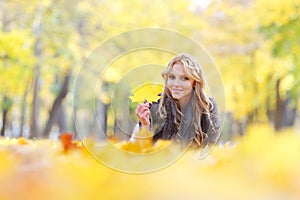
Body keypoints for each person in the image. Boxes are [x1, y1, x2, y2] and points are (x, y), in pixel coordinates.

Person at [133, 53, 220, 148]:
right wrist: (145, 125)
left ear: (195, 82)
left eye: (184, 78)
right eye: (172, 77)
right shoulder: (155, 105)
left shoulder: (208, 106)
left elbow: (212, 146)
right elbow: (144, 149)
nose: (176, 84)